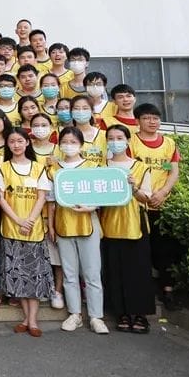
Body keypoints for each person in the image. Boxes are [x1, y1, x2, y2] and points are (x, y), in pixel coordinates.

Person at [47, 125, 109, 334]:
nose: (69, 145)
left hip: (88, 225)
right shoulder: (54, 169)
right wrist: (51, 226)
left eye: (73, 142)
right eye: (65, 142)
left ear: (82, 144)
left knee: (92, 273)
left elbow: (103, 195)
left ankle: (96, 316)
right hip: (64, 225)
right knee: (70, 273)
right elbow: (51, 201)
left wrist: (92, 207)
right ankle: (75, 314)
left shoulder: (92, 167)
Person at [0, 129, 53, 337]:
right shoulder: (2, 168)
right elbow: (1, 199)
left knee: (34, 275)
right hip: (11, 228)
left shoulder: (38, 168)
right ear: (8, 145)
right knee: (18, 275)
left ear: (27, 143)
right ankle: (26, 318)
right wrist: (18, 220)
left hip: (34, 230)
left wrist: (29, 221)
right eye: (12, 142)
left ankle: (32, 321)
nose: (16, 145)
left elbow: (42, 197)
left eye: (20, 141)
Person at [101, 124, 156, 333]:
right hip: (110, 224)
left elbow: (146, 198)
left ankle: (140, 314)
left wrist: (133, 188)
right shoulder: (101, 167)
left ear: (127, 141)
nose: (115, 142)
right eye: (111, 138)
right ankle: (121, 313)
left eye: (119, 138)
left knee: (138, 270)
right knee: (114, 271)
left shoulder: (140, 167)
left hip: (135, 224)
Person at [129, 103, 182, 310]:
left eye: (156, 118)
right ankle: (145, 290)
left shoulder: (169, 143)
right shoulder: (131, 142)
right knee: (141, 250)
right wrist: (142, 194)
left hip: (161, 204)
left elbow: (172, 171)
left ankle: (167, 290)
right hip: (138, 205)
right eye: (147, 118)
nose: (152, 122)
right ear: (137, 121)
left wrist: (163, 193)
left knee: (164, 250)